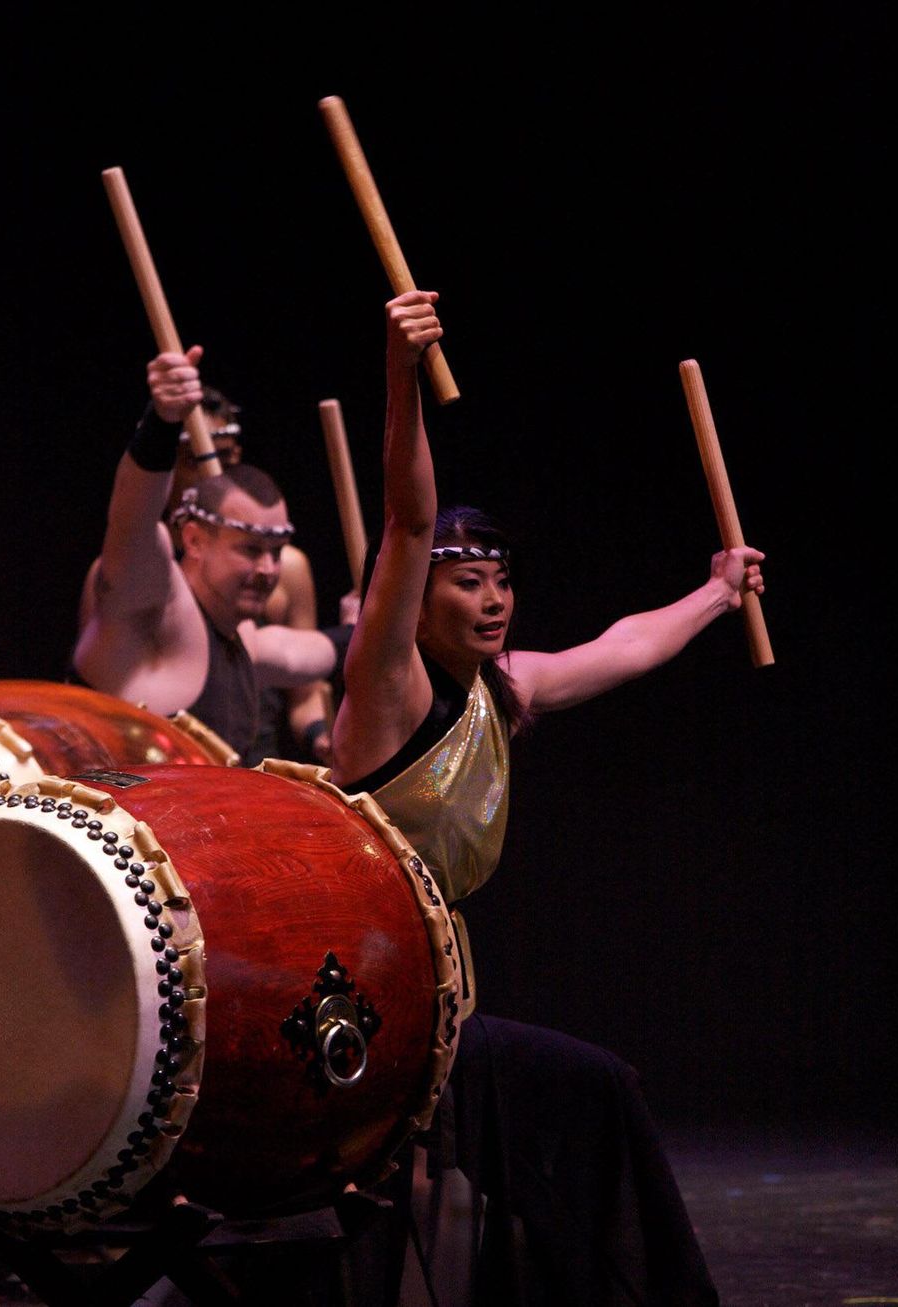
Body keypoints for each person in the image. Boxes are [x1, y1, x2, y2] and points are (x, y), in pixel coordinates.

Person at [330, 290, 767, 1305]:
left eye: (499, 579)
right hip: (360, 1011)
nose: (489, 598)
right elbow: (404, 518)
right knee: (590, 1089)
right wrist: (400, 375)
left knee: (574, 1105)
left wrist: (713, 590)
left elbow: (615, 649)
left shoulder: (501, 688)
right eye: (464, 580)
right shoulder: (385, 688)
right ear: (414, 594)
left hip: (436, 1010)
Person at [71, 344, 350, 767]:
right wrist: (161, 422)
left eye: (275, 552)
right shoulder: (150, 600)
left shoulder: (242, 637)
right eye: (251, 550)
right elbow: (133, 518)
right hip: (112, 826)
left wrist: (379, 624)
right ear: (195, 540)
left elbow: (307, 653)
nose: (268, 571)